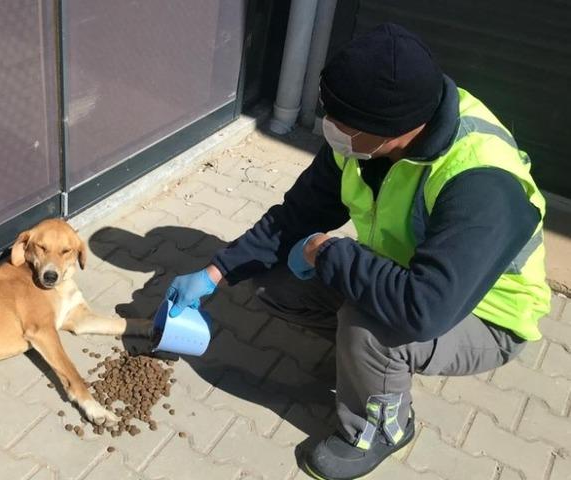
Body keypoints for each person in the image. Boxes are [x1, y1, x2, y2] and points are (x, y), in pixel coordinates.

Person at [165, 23, 550, 480]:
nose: (329, 127)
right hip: (411, 277)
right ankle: (365, 363)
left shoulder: (482, 181)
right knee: (275, 284)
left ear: (395, 131)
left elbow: (422, 310)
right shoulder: (365, 137)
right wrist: (216, 272)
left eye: (339, 121)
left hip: (483, 315)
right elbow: (297, 215)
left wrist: (329, 253)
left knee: (369, 326)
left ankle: (383, 427)